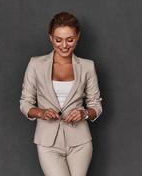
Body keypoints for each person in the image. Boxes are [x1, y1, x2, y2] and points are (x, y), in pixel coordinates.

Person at [19, 11, 103, 176]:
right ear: (51, 37)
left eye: (70, 39)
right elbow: (25, 102)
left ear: (77, 37)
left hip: (80, 142)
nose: (64, 45)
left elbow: (96, 105)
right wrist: (41, 112)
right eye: (58, 40)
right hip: (48, 142)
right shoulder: (36, 65)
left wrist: (84, 113)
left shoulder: (87, 67)